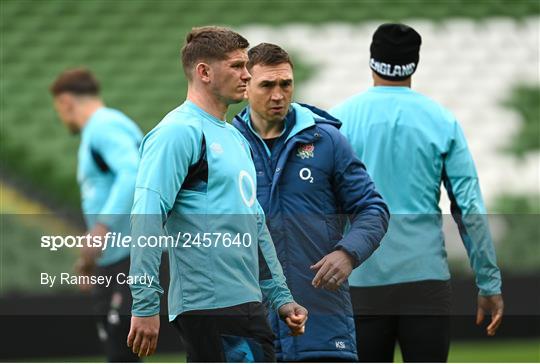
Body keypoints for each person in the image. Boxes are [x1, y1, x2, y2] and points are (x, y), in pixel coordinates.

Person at [126, 27, 308, 362]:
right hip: (210, 305)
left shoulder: (235, 138)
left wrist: (280, 296)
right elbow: (147, 213)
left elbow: (254, 223)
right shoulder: (177, 132)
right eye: (237, 65)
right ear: (204, 72)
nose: (247, 73)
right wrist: (145, 301)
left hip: (245, 303)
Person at [330, 23, 504, 362]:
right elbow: (468, 208)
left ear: (372, 61)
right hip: (424, 279)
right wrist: (489, 284)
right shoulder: (442, 121)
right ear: (415, 63)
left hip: (360, 276)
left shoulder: (338, 122)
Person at [232, 43, 389, 362]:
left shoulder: (327, 140)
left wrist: (348, 253)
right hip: (249, 321)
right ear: (246, 86)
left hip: (321, 320)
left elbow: (373, 208)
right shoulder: (226, 146)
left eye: (285, 84)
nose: (278, 95)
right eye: (267, 85)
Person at [50, 68, 142, 362]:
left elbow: (131, 173)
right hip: (112, 258)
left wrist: (101, 227)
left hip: (129, 254)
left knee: (122, 349)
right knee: (117, 348)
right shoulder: (102, 128)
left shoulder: (104, 126)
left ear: (65, 102)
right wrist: (89, 260)